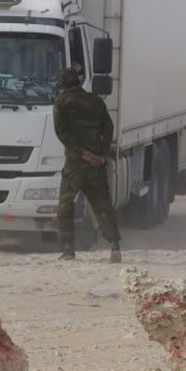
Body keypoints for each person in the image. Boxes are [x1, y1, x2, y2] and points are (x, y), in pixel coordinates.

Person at [52, 66, 120, 262]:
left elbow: (62, 133)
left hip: (75, 164)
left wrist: (83, 153)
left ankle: (68, 248)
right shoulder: (96, 101)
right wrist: (101, 154)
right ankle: (115, 246)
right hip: (95, 165)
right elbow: (109, 127)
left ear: (63, 84)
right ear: (78, 81)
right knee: (102, 205)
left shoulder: (62, 102)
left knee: (65, 204)